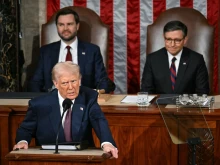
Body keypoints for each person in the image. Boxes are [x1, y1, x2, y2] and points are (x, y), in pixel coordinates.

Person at [14, 62, 118, 158]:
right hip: (49, 158)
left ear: (79, 80)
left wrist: (107, 143)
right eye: (65, 83)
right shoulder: (39, 104)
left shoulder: (88, 98)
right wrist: (22, 141)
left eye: (74, 81)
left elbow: (99, 121)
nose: (71, 87)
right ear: (56, 84)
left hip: (82, 157)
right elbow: (26, 129)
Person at [28, 8, 115, 93]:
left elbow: (102, 81)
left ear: (77, 26)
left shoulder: (92, 51)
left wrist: (99, 92)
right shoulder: (46, 51)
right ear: (57, 27)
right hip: (52, 101)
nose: (65, 28)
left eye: (69, 24)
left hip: (82, 101)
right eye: (61, 24)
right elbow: (35, 82)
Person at [141, 20, 209, 94]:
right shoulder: (152, 59)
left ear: (185, 40)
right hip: (160, 105)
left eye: (177, 40)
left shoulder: (196, 59)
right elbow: (146, 91)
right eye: (168, 39)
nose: (172, 44)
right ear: (164, 38)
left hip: (187, 105)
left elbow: (202, 92)